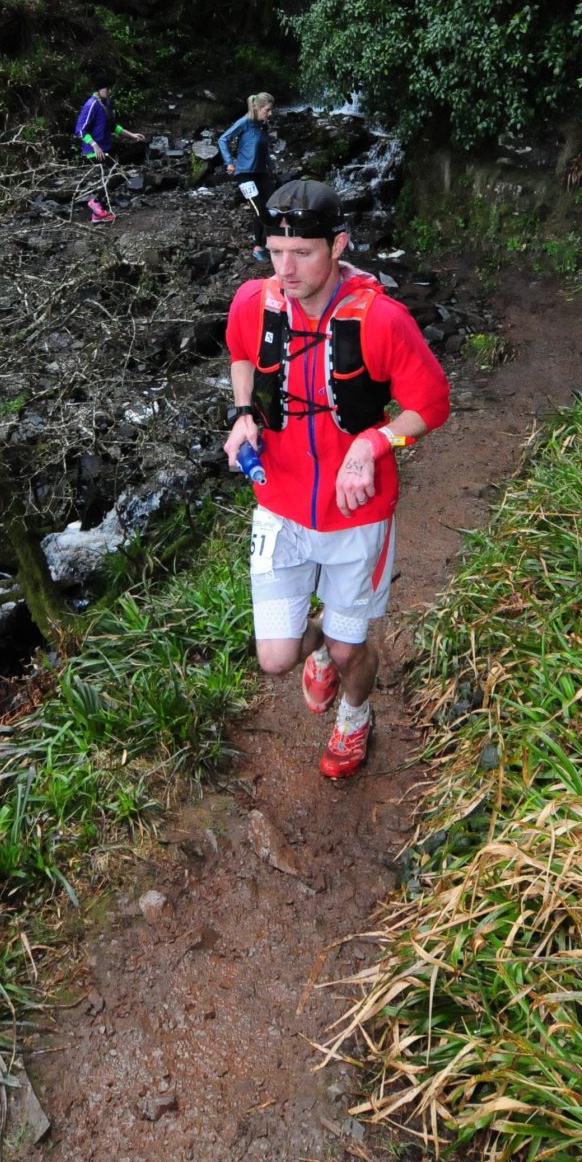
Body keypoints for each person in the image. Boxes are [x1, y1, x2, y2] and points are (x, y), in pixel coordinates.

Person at [223, 179, 450, 778]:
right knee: (275, 657)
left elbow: (430, 404)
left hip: (358, 512)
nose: (286, 268)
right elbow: (240, 352)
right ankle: (318, 640)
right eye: (275, 253)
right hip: (279, 499)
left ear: (338, 244)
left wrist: (375, 441)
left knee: (353, 652)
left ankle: (355, 716)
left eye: (302, 253)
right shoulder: (256, 302)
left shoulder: (383, 320)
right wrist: (245, 413)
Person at [74, 78, 145, 223]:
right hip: (94, 150)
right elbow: (80, 130)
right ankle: (95, 204)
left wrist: (132, 135)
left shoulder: (106, 103)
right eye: (107, 89)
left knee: (113, 177)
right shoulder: (92, 104)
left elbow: (113, 127)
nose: (109, 91)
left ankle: (97, 213)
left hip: (106, 148)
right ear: (99, 89)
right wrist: (94, 144)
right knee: (115, 175)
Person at [218, 92, 276, 261]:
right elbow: (223, 139)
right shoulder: (244, 122)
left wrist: (271, 168)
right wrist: (229, 162)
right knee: (260, 210)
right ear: (257, 108)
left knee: (274, 205)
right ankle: (259, 247)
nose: (270, 114)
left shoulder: (263, 125)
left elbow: (264, 150)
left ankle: (272, 243)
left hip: (261, 173)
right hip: (245, 174)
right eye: (268, 110)